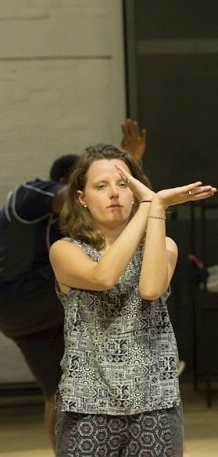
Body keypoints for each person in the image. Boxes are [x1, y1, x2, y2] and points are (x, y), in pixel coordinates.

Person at [49, 143, 215, 455]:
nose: (114, 193)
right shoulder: (65, 250)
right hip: (87, 406)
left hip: (156, 403)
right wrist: (151, 204)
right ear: (82, 198)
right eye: (101, 186)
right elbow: (103, 277)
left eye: (124, 184)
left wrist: (154, 208)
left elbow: (150, 289)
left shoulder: (164, 244)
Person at [0, 119, 145, 450]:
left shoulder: (74, 228)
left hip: (27, 323)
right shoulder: (31, 195)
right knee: (108, 288)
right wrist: (124, 166)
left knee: (60, 394)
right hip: (24, 295)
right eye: (96, 185)